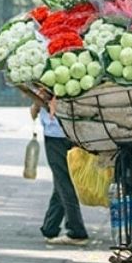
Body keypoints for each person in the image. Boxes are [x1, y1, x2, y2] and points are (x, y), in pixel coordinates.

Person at [29, 96, 89, 246]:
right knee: (61, 180)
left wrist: (36, 104)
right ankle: (50, 227)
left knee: (64, 181)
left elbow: (41, 99)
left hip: (56, 133)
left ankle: (76, 231)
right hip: (76, 131)